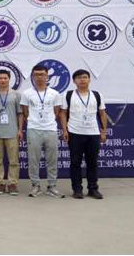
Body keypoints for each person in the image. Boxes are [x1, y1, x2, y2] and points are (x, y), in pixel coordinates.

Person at [60, 69, 108, 199]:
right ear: (74, 81)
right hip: (75, 132)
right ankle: (77, 189)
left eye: (85, 77)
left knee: (92, 162)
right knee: (75, 163)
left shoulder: (97, 95)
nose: (82, 80)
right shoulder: (68, 95)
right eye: (79, 78)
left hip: (93, 133)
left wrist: (103, 131)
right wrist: (64, 130)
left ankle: (93, 189)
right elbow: (63, 113)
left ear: (89, 80)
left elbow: (102, 113)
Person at [20, 64, 64, 198]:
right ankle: (35, 185)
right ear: (33, 77)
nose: (39, 77)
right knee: (33, 159)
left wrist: (47, 121)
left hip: (50, 129)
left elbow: (56, 112)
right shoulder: (27, 93)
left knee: (52, 159)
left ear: (47, 76)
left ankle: (52, 186)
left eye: (42, 74)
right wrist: (35, 121)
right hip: (33, 129)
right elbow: (25, 112)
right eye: (36, 75)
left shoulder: (54, 94)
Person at [0, 70, 22, 196]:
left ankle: (13, 183)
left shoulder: (16, 94)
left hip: (12, 131)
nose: (2, 80)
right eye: (0, 78)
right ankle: (0, 183)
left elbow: (20, 113)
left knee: (13, 160)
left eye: (5, 78)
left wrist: (20, 129)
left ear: (9, 79)